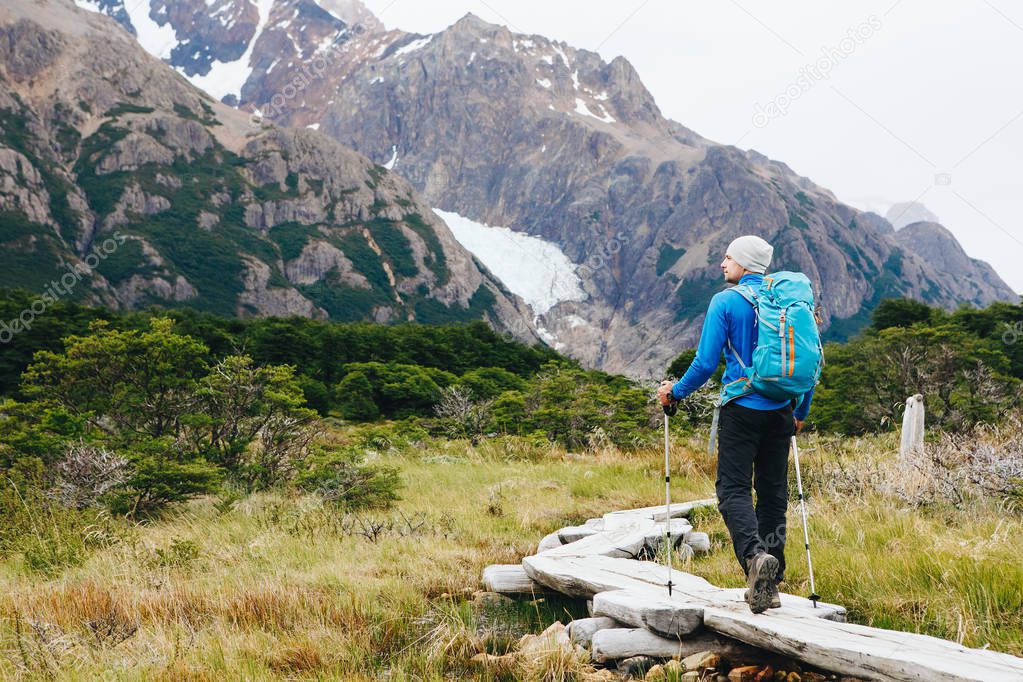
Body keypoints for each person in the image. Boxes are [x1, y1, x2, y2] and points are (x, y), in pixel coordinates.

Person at [656, 235, 813, 614]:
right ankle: (770, 585)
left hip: (741, 408)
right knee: (773, 494)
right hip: (781, 410)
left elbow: (706, 363)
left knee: (732, 490)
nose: (723, 263)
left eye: (729, 257)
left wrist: (674, 392)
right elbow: (810, 364)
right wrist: (800, 412)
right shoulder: (786, 304)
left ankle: (756, 559)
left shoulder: (725, 302)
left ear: (744, 265)